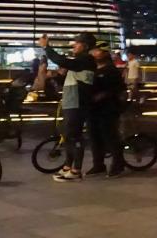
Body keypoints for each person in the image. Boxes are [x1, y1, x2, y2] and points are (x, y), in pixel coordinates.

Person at [38, 34, 96, 182]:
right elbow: (68, 76)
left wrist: (47, 47)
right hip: (71, 102)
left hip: (77, 103)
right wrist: (58, 75)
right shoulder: (79, 62)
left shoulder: (86, 60)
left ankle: (76, 170)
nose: (73, 45)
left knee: (74, 136)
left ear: (85, 46)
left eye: (77, 43)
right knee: (68, 135)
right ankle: (67, 166)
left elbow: (61, 60)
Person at [88, 41, 127, 178]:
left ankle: (118, 164)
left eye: (97, 51)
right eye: (93, 51)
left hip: (108, 109)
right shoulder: (94, 69)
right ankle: (98, 165)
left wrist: (102, 95)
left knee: (110, 137)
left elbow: (118, 89)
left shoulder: (111, 70)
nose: (94, 53)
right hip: (93, 109)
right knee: (94, 137)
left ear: (104, 53)